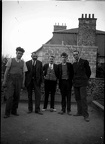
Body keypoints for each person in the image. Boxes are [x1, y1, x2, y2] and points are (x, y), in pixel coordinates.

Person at [2, 47, 27, 118]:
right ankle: (7, 113)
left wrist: (23, 83)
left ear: (22, 55)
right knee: (9, 96)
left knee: (17, 96)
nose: (20, 55)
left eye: (21, 54)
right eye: (19, 53)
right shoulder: (11, 60)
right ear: (16, 53)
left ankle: (14, 111)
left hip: (19, 80)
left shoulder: (23, 62)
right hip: (11, 80)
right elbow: (6, 71)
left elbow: (24, 74)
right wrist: (4, 81)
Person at [72, 50, 91, 122]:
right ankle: (79, 112)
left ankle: (86, 115)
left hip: (82, 83)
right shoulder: (73, 64)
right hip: (76, 83)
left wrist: (85, 79)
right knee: (77, 98)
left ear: (78, 54)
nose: (75, 56)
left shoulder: (84, 61)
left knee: (83, 98)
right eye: (74, 55)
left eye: (76, 54)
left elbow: (88, 72)